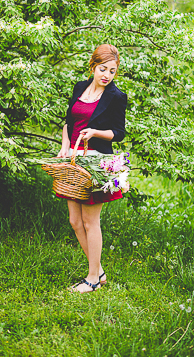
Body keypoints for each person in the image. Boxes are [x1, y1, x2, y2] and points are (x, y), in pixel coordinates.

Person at [56, 44, 128, 293]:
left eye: (112, 71)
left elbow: (119, 133)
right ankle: (98, 271)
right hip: (73, 162)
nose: (106, 75)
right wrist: (65, 146)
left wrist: (96, 132)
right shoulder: (79, 87)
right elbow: (69, 122)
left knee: (90, 220)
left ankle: (92, 279)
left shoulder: (116, 97)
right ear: (93, 66)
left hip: (97, 163)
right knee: (74, 221)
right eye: (102, 69)